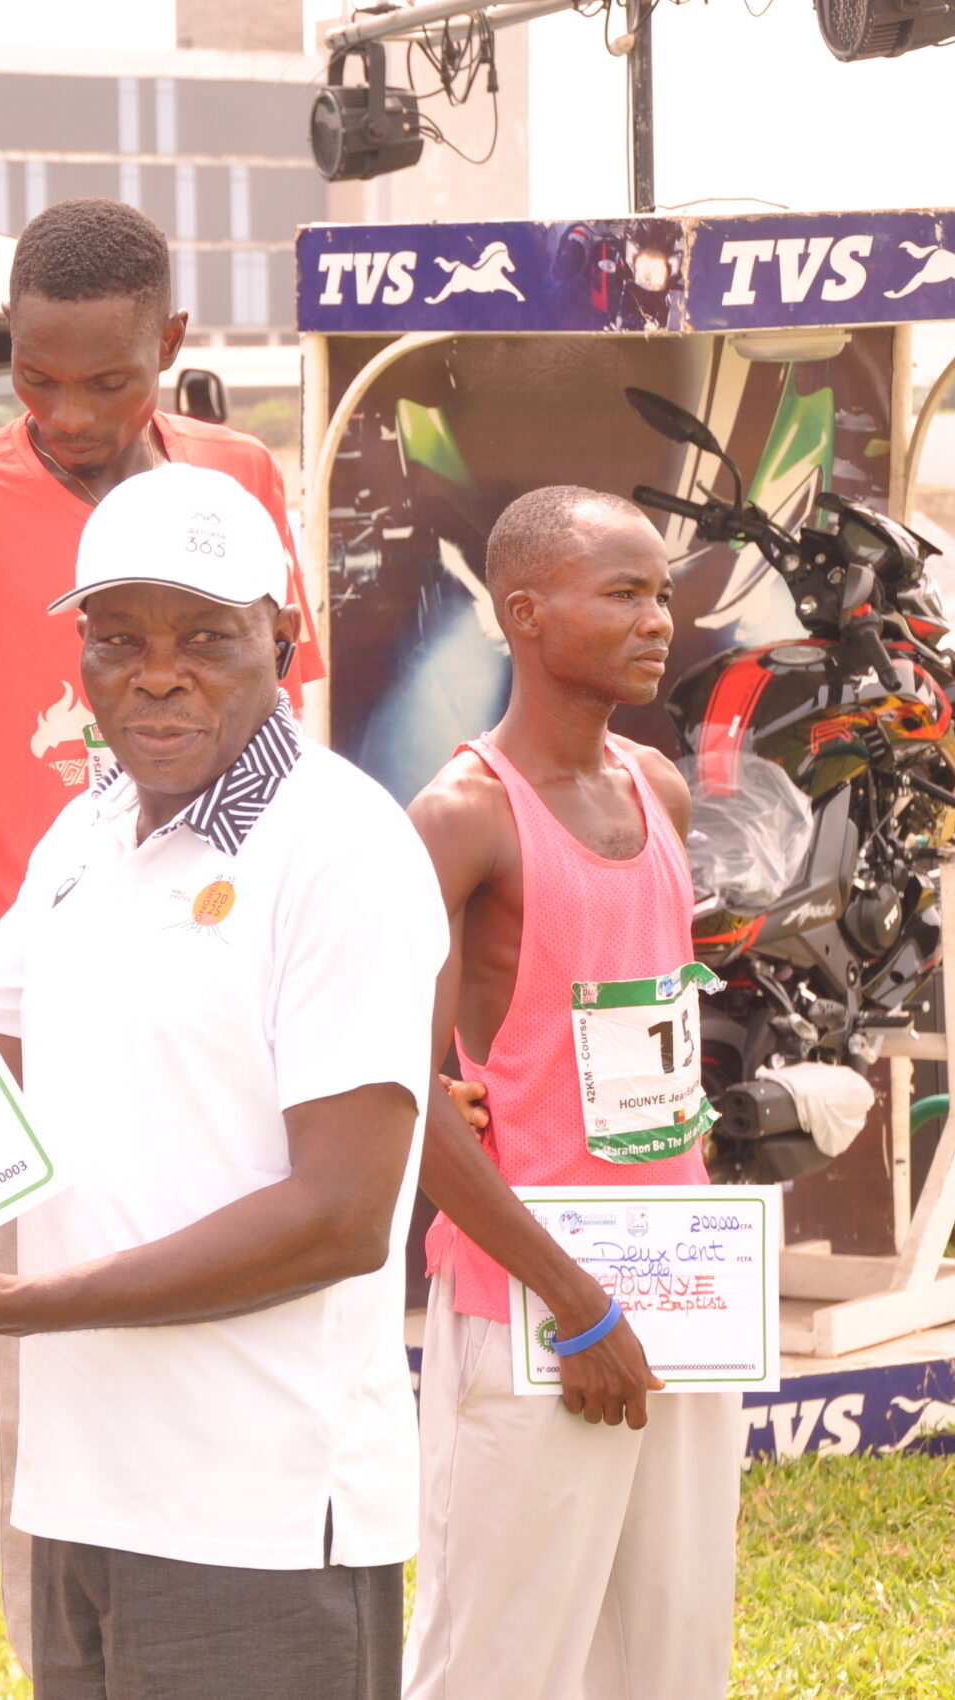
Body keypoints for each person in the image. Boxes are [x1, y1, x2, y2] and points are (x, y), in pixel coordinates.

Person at [0, 464, 447, 1700]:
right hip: (83, 1491)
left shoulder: (341, 850)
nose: (156, 673)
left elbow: (341, 1216)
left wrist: (16, 1303)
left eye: (205, 637)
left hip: (259, 1515)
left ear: (282, 641)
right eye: (118, 638)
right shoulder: (87, 834)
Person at [0, 196, 323, 1661]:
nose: (65, 415)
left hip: (224, 1013)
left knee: (231, 1345)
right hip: (37, 1038)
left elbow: (290, 724)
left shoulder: (240, 478)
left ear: (171, 342)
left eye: (107, 381)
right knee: (46, 1392)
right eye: (34, 379)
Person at [401, 486, 740, 1700]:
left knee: (671, 1652)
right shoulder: (460, 818)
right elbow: (407, 1101)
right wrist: (575, 1304)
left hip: (676, 1286)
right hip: (531, 1300)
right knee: (500, 1660)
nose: (658, 619)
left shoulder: (658, 788)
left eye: (662, 593)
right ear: (525, 612)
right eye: (624, 593)